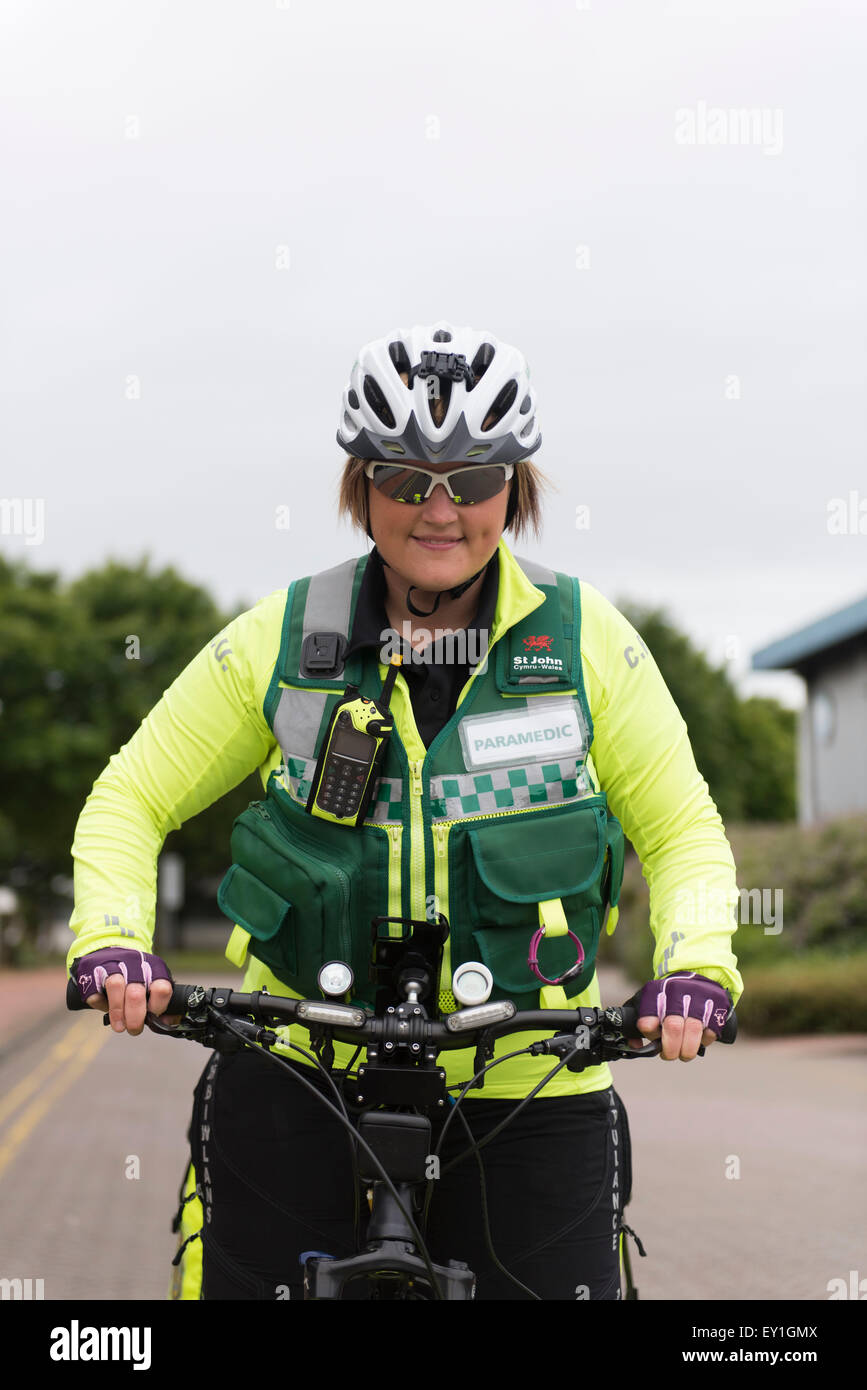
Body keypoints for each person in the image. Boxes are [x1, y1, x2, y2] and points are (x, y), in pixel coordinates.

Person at [68, 319, 742, 1301]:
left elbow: (682, 828)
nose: (440, 509)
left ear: (513, 487)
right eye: (404, 478)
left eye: (470, 480)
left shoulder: (589, 640)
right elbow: (130, 795)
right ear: (361, 487)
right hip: (298, 1062)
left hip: (528, 1073)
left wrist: (692, 965)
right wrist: (116, 939)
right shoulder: (288, 636)